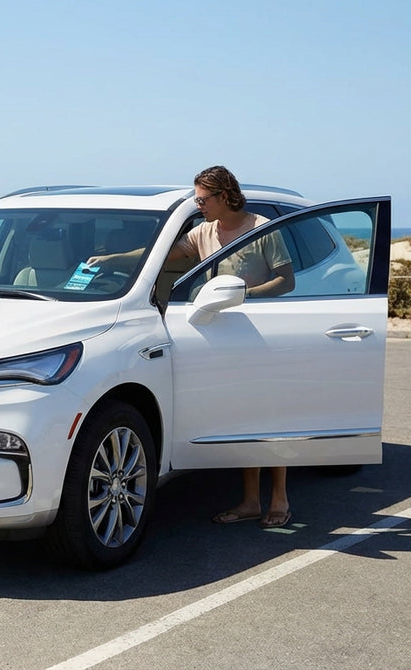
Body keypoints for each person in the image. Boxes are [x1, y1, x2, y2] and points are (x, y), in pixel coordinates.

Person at [87, 165, 295, 528]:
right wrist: (114, 260)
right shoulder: (203, 232)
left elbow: (286, 280)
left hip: (260, 333)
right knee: (240, 419)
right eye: (196, 199)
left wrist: (245, 296)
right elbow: (160, 257)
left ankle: (279, 500)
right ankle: (249, 502)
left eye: (202, 199)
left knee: (268, 418)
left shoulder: (262, 228)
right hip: (217, 334)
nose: (198, 205)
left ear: (225, 195)